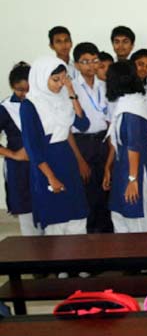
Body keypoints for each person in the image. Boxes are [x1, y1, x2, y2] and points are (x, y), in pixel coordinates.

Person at [21, 56, 90, 235]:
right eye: (55, 80)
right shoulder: (29, 105)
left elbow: (83, 124)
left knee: (77, 217)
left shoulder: (64, 98)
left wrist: (71, 92)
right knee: (56, 222)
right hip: (47, 164)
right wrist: (51, 177)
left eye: (63, 78)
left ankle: (79, 261)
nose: (60, 84)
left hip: (67, 160)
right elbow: (32, 147)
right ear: (42, 77)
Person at [103, 61, 147, 233]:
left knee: (137, 225)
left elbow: (133, 145)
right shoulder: (126, 102)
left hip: (134, 170)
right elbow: (117, 141)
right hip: (123, 168)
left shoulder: (133, 107)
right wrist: (108, 167)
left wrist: (133, 180)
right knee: (120, 219)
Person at [72, 42, 112, 233]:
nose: (90, 65)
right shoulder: (70, 89)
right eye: (85, 61)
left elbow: (110, 120)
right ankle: (90, 239)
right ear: (76, 65)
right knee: (87, 193)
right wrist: (79, 160)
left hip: (103, 141)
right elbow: (66, 128)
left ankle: (106, 238)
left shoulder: (104, 86)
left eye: (94, 60)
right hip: (83, 144)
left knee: (105, 190)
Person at [0, 62, 37, 235]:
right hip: (19, 167)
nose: (23, 94)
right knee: (26, 214)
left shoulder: (42, 103)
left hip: (42, 164)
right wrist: (14, 155)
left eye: (27, 89)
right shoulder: (5, 107)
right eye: (19, 89)